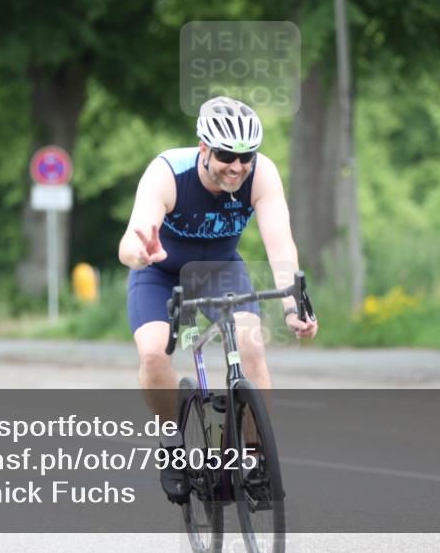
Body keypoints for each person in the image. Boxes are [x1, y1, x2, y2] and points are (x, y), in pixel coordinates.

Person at [118, 96, 318, 502]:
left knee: (251, 347)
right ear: (204, 148)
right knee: (154, 355)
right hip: (160, 273)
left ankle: (255, 458)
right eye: (227, 155)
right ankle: (174, 446)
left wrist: (293, 307)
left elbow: (280, 244)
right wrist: (141, 253)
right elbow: (130, 239)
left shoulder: (261, 175)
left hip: (221, 271)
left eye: (246, 157)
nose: (238, 166)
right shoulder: (167, 174)